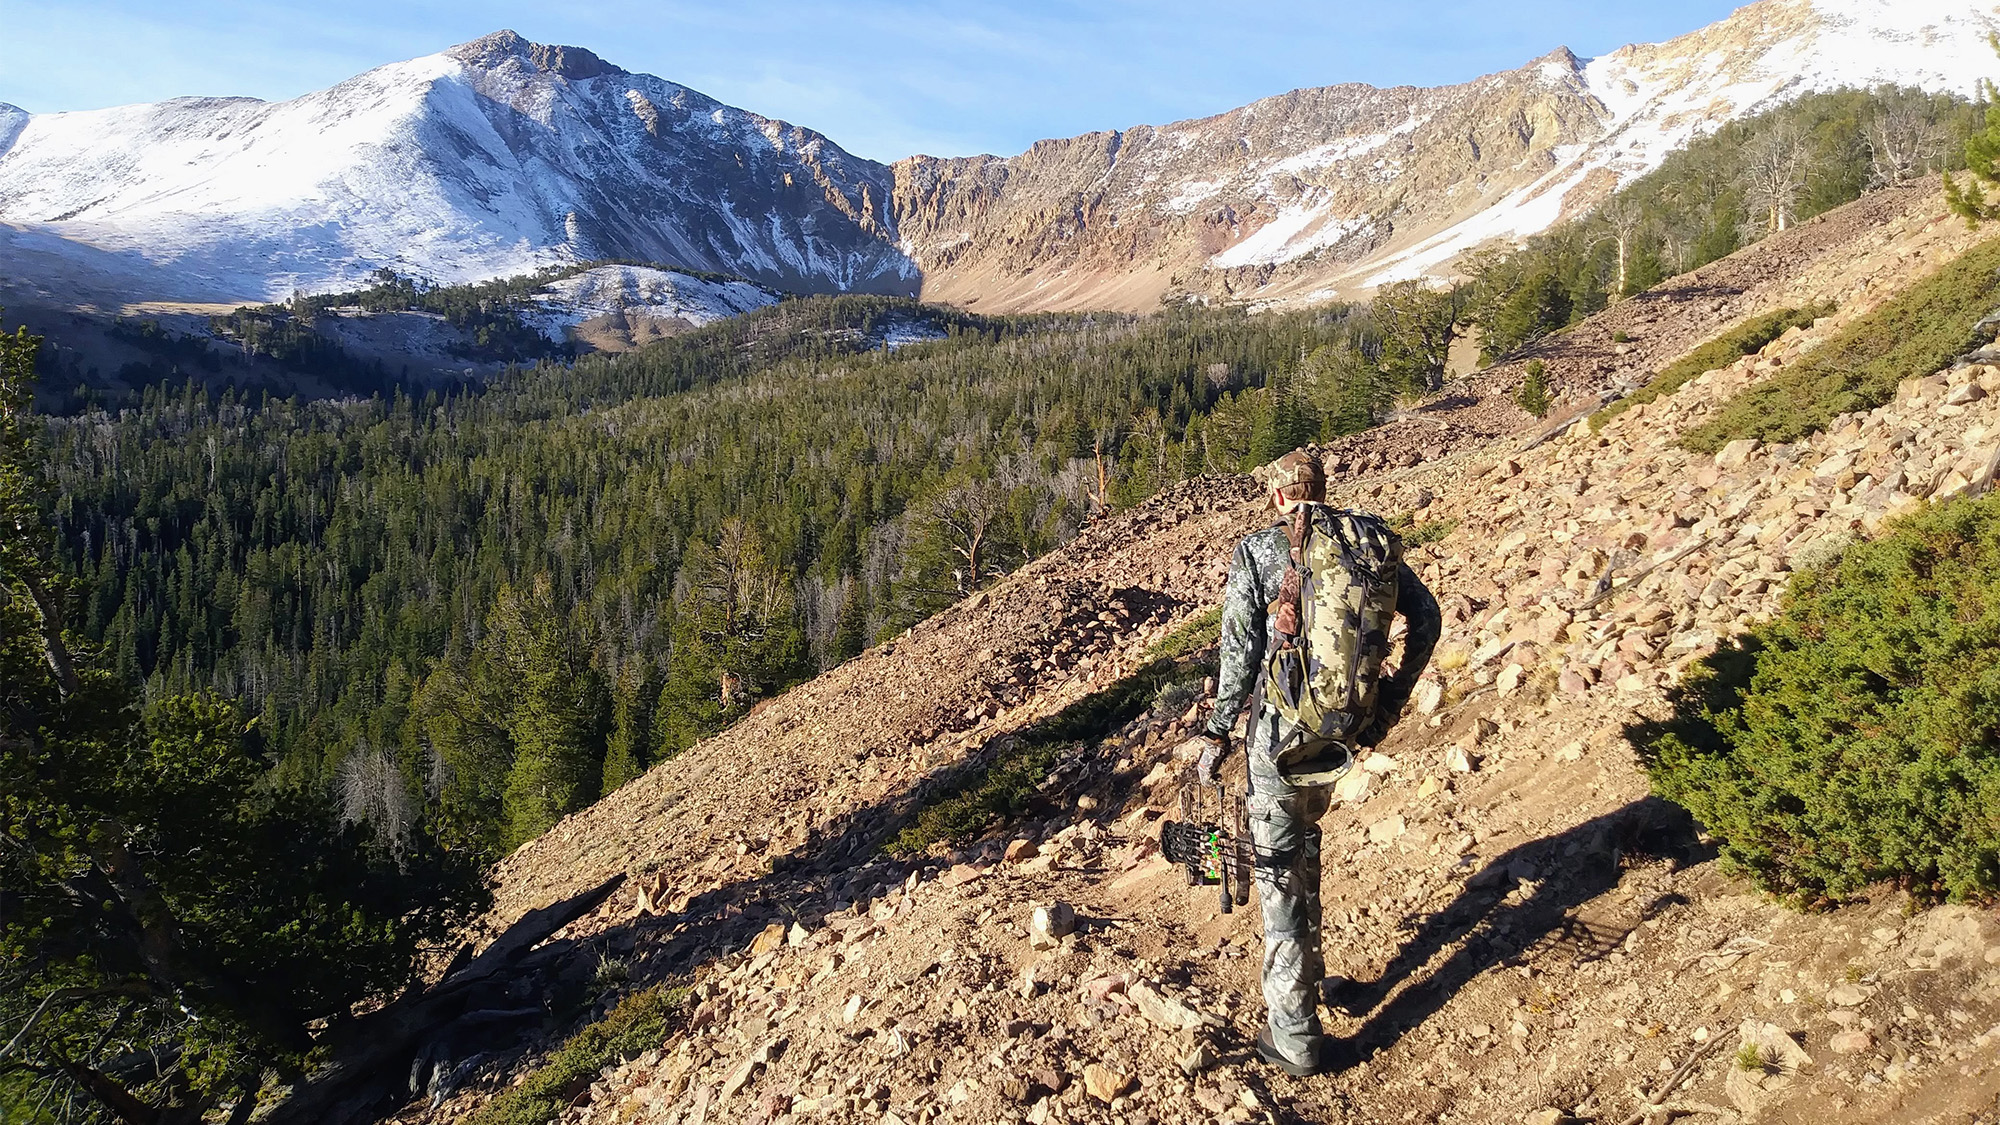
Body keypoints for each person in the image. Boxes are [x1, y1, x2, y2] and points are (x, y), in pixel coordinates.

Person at [1181, 449, 1440, 1077]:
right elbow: (1427, 620)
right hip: (1336, 738)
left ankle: (1294, 1036)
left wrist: (1215, 735)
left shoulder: (1258, 553)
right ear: (1322, 489)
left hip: (1277, 741)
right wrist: (1388, 706)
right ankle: (1314, 980)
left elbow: (1239, 660)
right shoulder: (1364, 542)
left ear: (1277, 496)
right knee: (1305, 845)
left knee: (1277, 876)